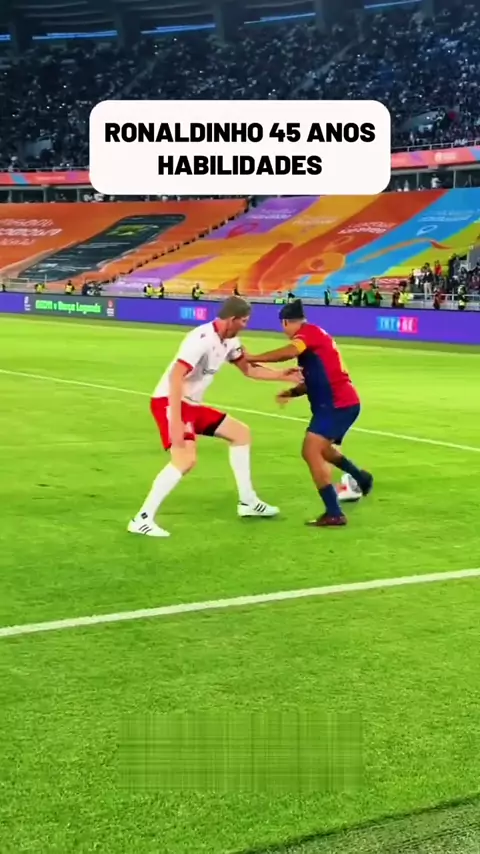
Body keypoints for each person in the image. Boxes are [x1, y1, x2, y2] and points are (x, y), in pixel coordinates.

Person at [128, 297, 299, 538]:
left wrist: (282, 375)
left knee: (240, 434)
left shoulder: (230, 341)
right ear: (232, 319)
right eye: (244, 321)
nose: (246, 325)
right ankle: (142, 518)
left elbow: (248, 369)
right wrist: (175, 420)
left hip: (191, 405)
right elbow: (176, 376)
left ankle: (248, 501)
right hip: (170, 401)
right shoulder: (201, 339)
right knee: (185, 459)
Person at [245, 299, 373, 528]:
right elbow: (315, 379)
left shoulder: (307, 335)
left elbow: (288, 352)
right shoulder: (315, 336)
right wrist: (292, 392)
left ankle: (334, 513)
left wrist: (252, 358)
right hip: (340, 403)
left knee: (311, 450)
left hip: (336, 405)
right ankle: (361, 478)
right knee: (323, 449)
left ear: (286, 322)